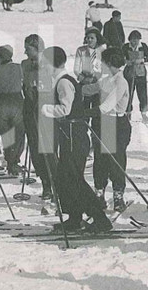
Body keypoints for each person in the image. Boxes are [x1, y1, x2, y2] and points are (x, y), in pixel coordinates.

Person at [40, 46, 111, 232]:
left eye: (44, 64)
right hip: (69, 133)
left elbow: (66, 109)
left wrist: (45, 109)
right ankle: (74, 217)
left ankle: (100, 218)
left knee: (74, 178)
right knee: (66, 178)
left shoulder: (64, 82)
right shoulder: (61, 80)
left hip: (74, 134)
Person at [90, 48, 131, 211]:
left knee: (116, 161)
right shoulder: (106, 79)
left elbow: (107, 106)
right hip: (102, 123)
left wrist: (86, 112)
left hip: (117, 124)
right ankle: (99, 193)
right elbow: (90, 89)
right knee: (100, 160)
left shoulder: (121, 81)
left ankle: (118, 195)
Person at [21, 34, 52, 200]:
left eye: (28, 49)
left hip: (44, 109)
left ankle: (52, 183)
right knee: (34, 147)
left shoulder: (49, 64)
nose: (25, 52)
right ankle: (45, 181)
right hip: (29, 108)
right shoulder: (25, 64)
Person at [0, 45, 26, 176]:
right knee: (19, 133)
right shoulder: (18, 67)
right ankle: (14, 161)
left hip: (2, 102)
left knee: (6, 134)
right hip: (17, 101)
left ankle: (10, 161)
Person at [122, 30, 148, 121]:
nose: (134, 42)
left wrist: (142, 60)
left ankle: (144, 113)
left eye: (136, 40)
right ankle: (128, 112)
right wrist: (125, 61)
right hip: (129, 73)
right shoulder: (125, 47)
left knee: (142, 94)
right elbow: (120, 57)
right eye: (132, 40)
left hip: (141, 73)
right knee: (128, 94)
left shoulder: (143, 46)